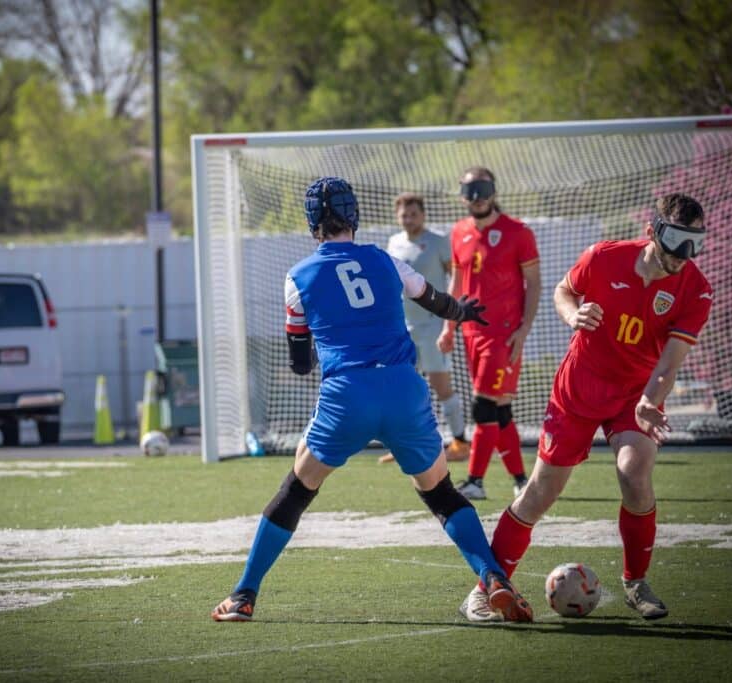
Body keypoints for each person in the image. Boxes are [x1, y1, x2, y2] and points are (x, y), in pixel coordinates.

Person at [211, 176, 533, 623]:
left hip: (348, 395)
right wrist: (463, 312)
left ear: (312, 223)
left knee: (295, 493)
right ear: (355, 216)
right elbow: (436, 299)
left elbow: (301, 361)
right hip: (403, 388)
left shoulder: (298, 276)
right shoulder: (386, 259)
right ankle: (494, 577)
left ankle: (244, 595)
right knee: (441, 494)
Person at [458, 193, 712, 622]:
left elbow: (669, 363)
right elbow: (562, 291)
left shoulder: (696, 288)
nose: (685, 255)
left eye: (695, 243)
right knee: (539, 493)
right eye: (677, 241)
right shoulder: (603, 256)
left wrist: (651, 399)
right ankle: (485, 588)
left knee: (635, 475)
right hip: (578, 391)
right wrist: (572, 315)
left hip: (635, 397)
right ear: (652, 231)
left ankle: (636, 582)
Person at [437, 167, 541, 500]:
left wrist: (524, 329)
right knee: (499, 410)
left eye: (482, 189)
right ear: (461, 195)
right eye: (470, 190)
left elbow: (534, 283)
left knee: (483, 407)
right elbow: (456, 282)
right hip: (470, 332)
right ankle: (522, 481)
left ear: (494, 191)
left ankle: (475, 482)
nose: (477, 197)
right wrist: (448, 325)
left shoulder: (518, 232)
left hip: (504, 335)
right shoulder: (458, 232)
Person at [379, 193, 470, 464]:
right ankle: (404, 443)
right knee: (402, 385)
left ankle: (460, 442)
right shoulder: (394, 243)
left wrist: (449, 318)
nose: (408, 219)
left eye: (413, 214)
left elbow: (456, 276)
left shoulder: (438, 241)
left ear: (423, 214)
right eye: (404, 215)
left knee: (441, 385)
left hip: (433, 325)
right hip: (403, 326)